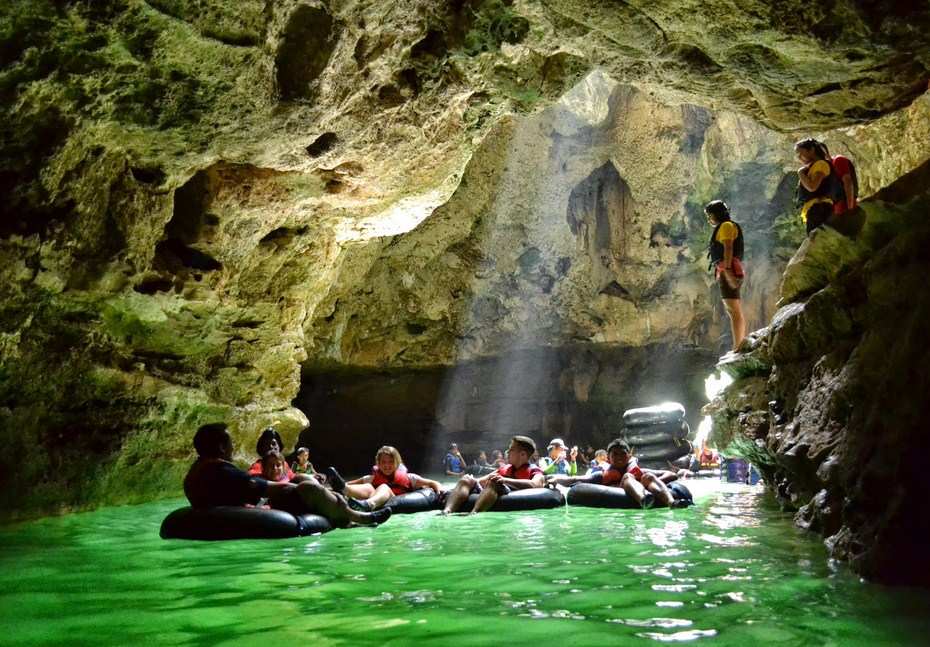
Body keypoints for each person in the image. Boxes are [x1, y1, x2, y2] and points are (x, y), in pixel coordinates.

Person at [183, 423, 391, 526]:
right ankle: (357, 517)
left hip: (243, 504)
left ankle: (345, 503)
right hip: (248, 511)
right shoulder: (219, 470)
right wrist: (299, 487)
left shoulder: (197, 470)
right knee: (307, 487)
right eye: (230, 444)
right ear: (220, 447)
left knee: (304, 481)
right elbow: (261, 486)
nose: (233, 448)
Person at [547, 438, 685, 509]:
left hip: (647, 492)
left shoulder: (638, 471)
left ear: (629, 456)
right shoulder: (602, 475)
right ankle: (644, 501)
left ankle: (672, 502)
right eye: (615, 454)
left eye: (623, 454)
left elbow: (671, 474)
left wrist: (645, 484)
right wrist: (555, 479)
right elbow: (576, 479)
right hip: (623, 496)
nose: (619, 457)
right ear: (608, 457)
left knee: (646, 476)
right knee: (628, 477)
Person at [441, 435, 546, 514]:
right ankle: (446, 511)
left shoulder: (534, 470)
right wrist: (466, 483)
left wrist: (504, 480)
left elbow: (535, 484)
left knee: (494, 482)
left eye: (511, 449)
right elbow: (480, 481)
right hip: (491, 489)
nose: (507, 452)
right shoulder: (505, 468)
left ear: (522, 454)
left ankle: (474, 513)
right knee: (467, 478)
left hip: (508, 491)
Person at [325, 446, 443, 512]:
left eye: (391, 462)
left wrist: (439, 492)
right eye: (383, 462)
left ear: (397, 462)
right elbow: (350, 483)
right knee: (367, 486)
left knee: (384, 487)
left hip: (394, 500)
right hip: (375, 496)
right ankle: (345, 492)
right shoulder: (371, 478)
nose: (387, 466)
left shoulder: (410, 477)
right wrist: (335, 488)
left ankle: (368, 505)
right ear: (378, 463)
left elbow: (433, 482)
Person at [705, 200, 746, 351]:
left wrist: (727, 271)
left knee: (733, 309)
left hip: (728, 269)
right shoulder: (724, 226)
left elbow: (728, 247)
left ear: (716, 214)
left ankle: (738, 346)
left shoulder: (726, 226)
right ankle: (738, 345)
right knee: (732, 309)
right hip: (726, 270)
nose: (709, 219)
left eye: (709, 215)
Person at [795, 138, 835, 235]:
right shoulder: (814, 166)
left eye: (800, 153)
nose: (799, 157)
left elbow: (812, 187)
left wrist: (800, 173)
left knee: (816, 242)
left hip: (819, 208)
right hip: (816, 209)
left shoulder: (820, 164)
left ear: (811, 150)